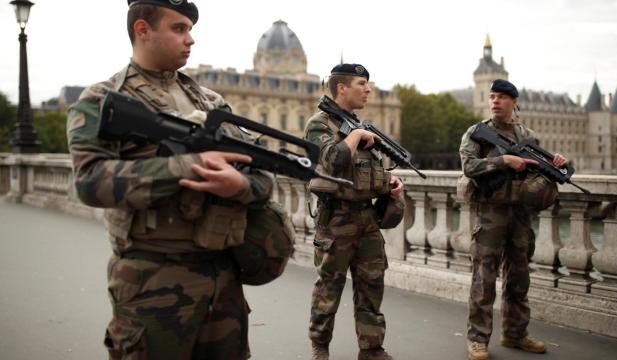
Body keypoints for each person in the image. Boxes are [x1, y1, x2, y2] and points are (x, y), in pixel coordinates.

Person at [66, 1, 273, 358]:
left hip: (222, 279)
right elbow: (89, 180)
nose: (190, 39)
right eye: (179, 28)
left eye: (190, 29)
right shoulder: (102, 99)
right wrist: (187, 167)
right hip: (150, 280)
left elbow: (264, 172)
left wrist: (241, 186)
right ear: (143, 30)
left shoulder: (211, 102)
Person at [459, 79, 567, 360]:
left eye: (502, 97)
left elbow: (537, 175)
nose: (495, 101)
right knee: (484, 277)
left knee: (519, 276)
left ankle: (515, 333)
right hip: (491, 212)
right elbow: (468, 166)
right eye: (492, 96)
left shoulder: (528, 136)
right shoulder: (477, 132)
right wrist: (503, 161)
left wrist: (553, 164)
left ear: (513, 102)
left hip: (520, 213)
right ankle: (477, 338)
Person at [304, 63, 405, 360]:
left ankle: (371, 349)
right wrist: (356, 136)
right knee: (328, 288)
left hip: (367, 218)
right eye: (362, 83)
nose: (368, 89)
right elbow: (331, 161)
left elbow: (365, 172)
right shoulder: (319, 124)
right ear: (341, 88)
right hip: (335, 220)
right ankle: (319, 346)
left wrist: (389, 184)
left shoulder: (358, 125)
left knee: (371, 287)